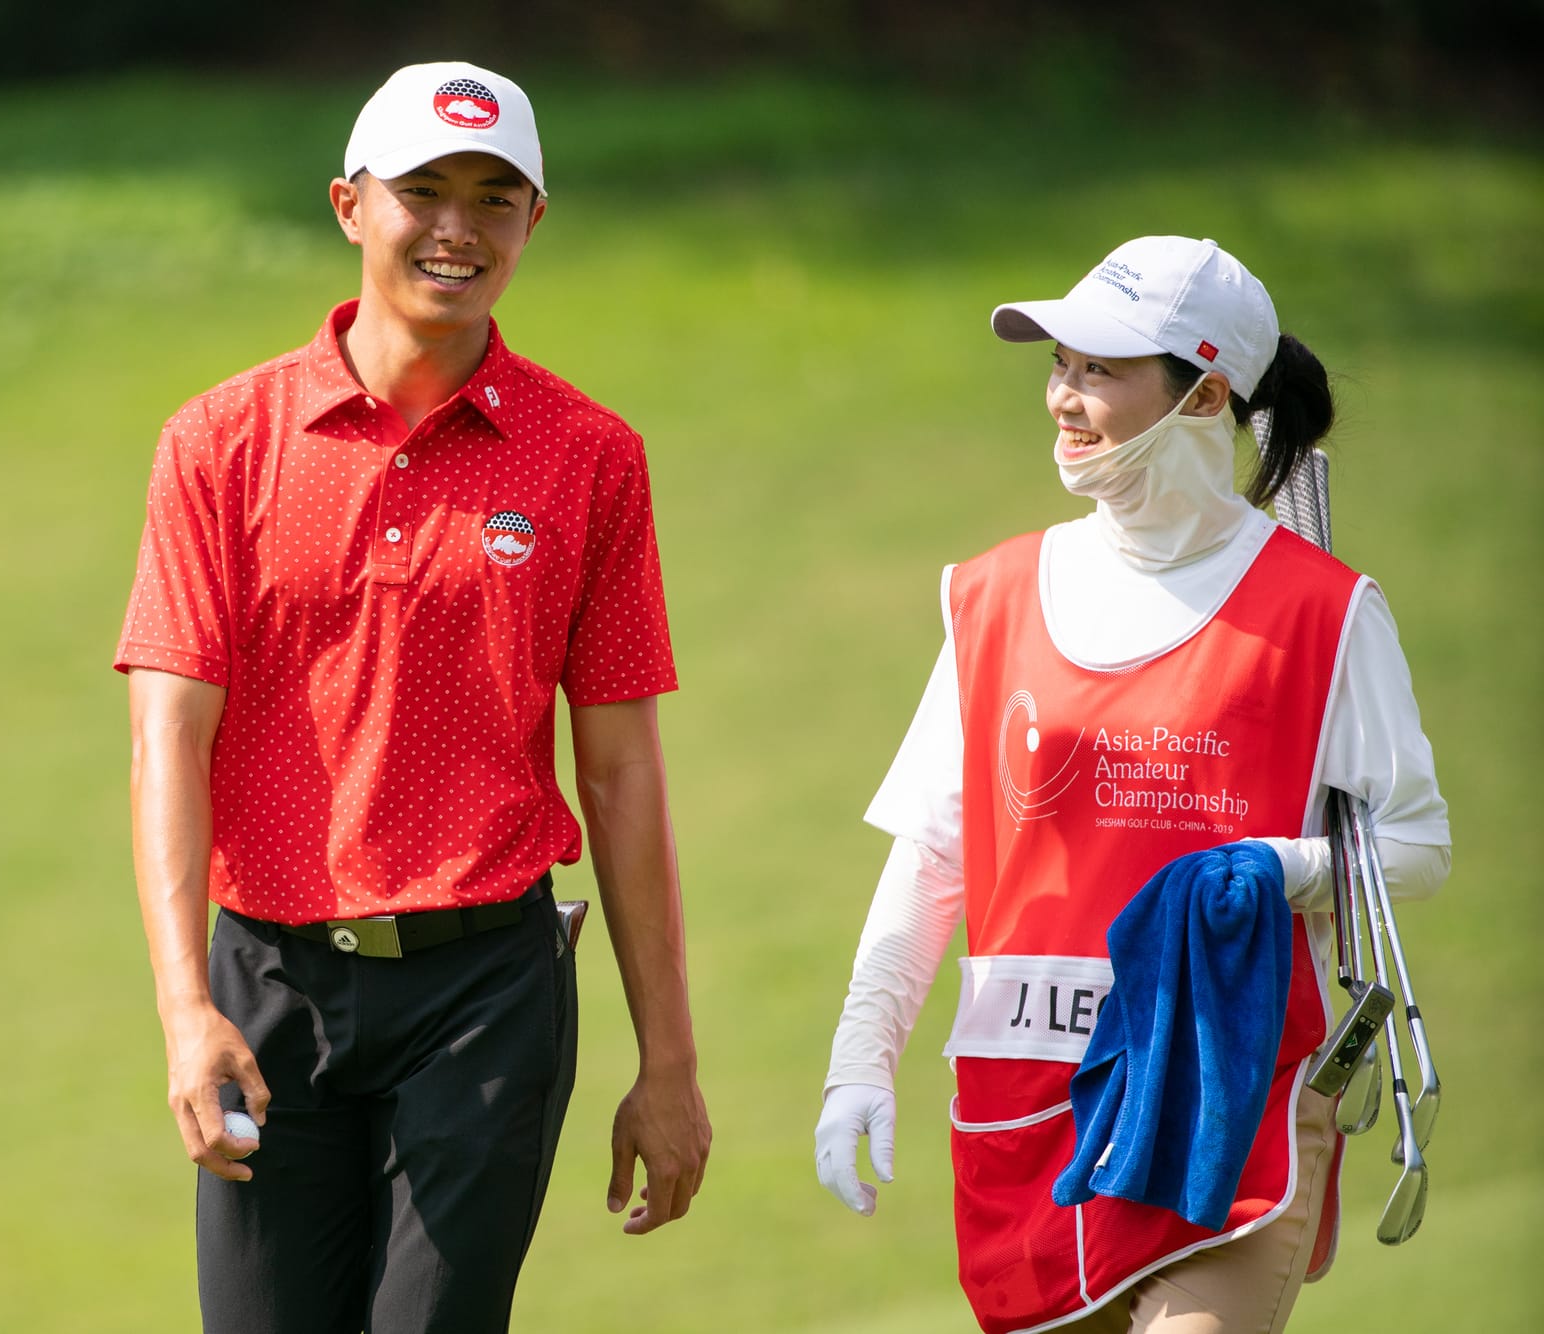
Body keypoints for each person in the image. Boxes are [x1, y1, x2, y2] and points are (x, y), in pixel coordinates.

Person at [115, 61, 711, 1334]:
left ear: (533, 223)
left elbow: (619, 769)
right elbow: (170, 735)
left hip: (486, 991)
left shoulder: (590, 454)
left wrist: (667, 1060)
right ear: (348, 204)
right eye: (422, 190)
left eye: (495, 197)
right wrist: (185, 1006)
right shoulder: (219, 442)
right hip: (268, 981)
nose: (457, 226)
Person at [812, 236, 1450, 1334]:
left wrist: (1276, 865)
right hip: (1025, 1112)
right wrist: (858, 1055)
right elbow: (932, 853)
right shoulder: (992, 591)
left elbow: (1412, 844)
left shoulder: (1325, 609)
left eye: (1099, 369)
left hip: (1225, 1100)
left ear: (1204, 390)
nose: (1063, 394)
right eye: (1058, 363)